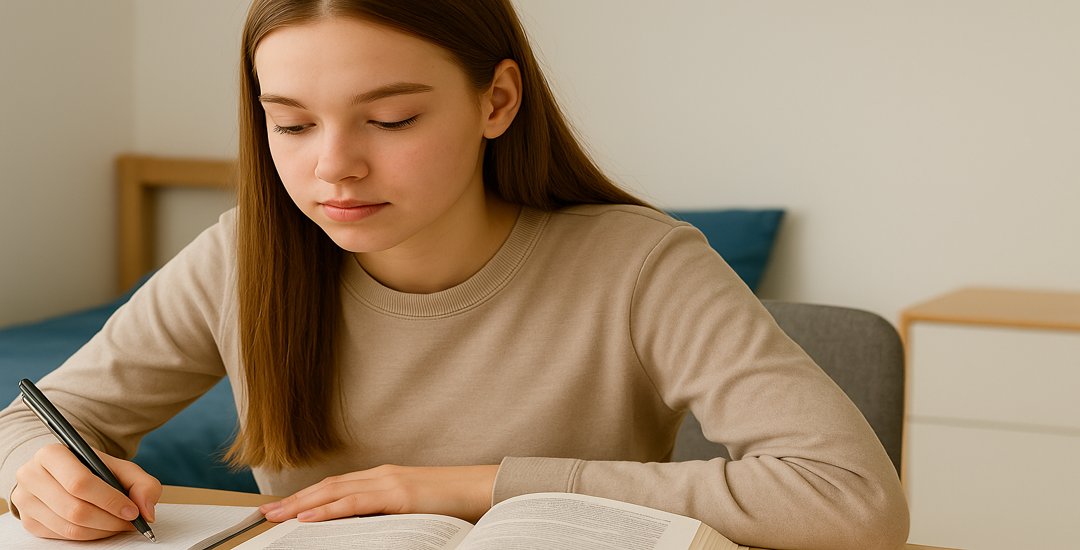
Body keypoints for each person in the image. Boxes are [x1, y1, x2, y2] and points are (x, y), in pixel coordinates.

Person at [0, 1, 909, 548]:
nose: (334, 168)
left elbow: (853, 500)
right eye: (291, 123)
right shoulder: (241, 258)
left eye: (389, 120)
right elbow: (33, 422)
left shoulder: (640, 264)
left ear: (497, 101)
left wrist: (468, 484)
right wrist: (39, 469)